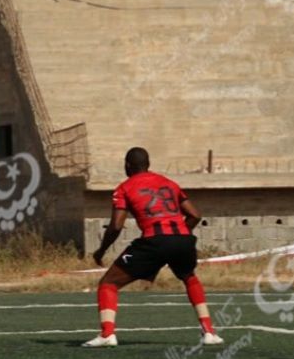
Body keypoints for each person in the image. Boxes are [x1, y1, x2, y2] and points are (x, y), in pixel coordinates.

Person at [84, 147, 223, 348]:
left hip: (154, 241)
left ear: (127, 165)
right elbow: (195, 215)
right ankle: (209, 332)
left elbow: (116, 225)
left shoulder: (124, 188)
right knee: (189, 277)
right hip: (183, 239)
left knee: (109, 283)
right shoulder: (169, 183)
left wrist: (101, 250)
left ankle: (107, 334)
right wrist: (178, 236)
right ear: (148, 164)